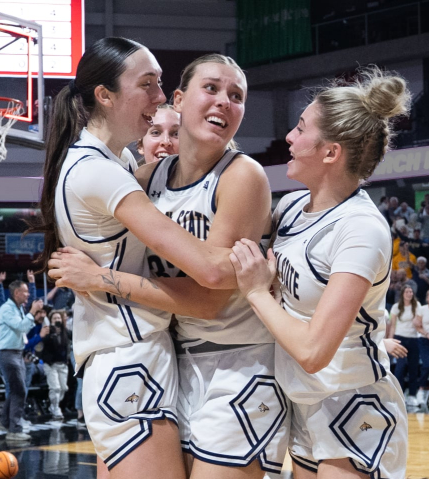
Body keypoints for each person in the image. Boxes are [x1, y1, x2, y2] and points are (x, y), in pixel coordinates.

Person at [45, 51, 287, 478]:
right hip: (174, 360)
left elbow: (209, 298)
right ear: (178, 99)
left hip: (238, 362)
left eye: (236, 95)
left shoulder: (242, 175)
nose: (224, 101)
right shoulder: (143, 178)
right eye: (211, 88)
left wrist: (100, 278)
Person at [228, 67, 411, 477]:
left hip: (351, 399)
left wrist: (258, 293)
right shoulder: (292, 208)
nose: (289, 138)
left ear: (331, 152)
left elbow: (313, 352)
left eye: (300, 128)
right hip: (304, 401)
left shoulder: (360, 228)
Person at [0, 281, 43, 441]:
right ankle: (14, 430)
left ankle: (4, 421)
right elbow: (21, 327)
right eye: (25, 292)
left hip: (17, 353)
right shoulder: (7, 309)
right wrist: (32, 311)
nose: (28, 294)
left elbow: (24, 328)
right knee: (20, 390)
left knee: (17, 390)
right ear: (16, 293)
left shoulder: (18, 308)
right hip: (8, 354)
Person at [388, 285, 423, 406]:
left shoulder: (417, 305)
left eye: (411, 292)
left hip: (413, 339)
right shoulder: (396, 307)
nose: (409, 294)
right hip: (400, 338)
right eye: (407, 291)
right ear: (402, 293)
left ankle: (412, 395)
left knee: (413, 368)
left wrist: (418, 322)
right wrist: (391, 340)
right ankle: (398, 394)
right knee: (400, 367)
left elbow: (419, 322)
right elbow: (392, 325)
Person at [40, 310, 71, 421]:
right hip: (51, 365)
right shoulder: (48, 331)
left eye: (59, 318)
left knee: (63, 388)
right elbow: (44, 342)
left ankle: (54, 404)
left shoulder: (65, 331)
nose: (57, 320)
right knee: (55, 388)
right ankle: (55, 407)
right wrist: (52, 331)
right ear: (51, 321)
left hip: (62, 365)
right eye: (55, 318)